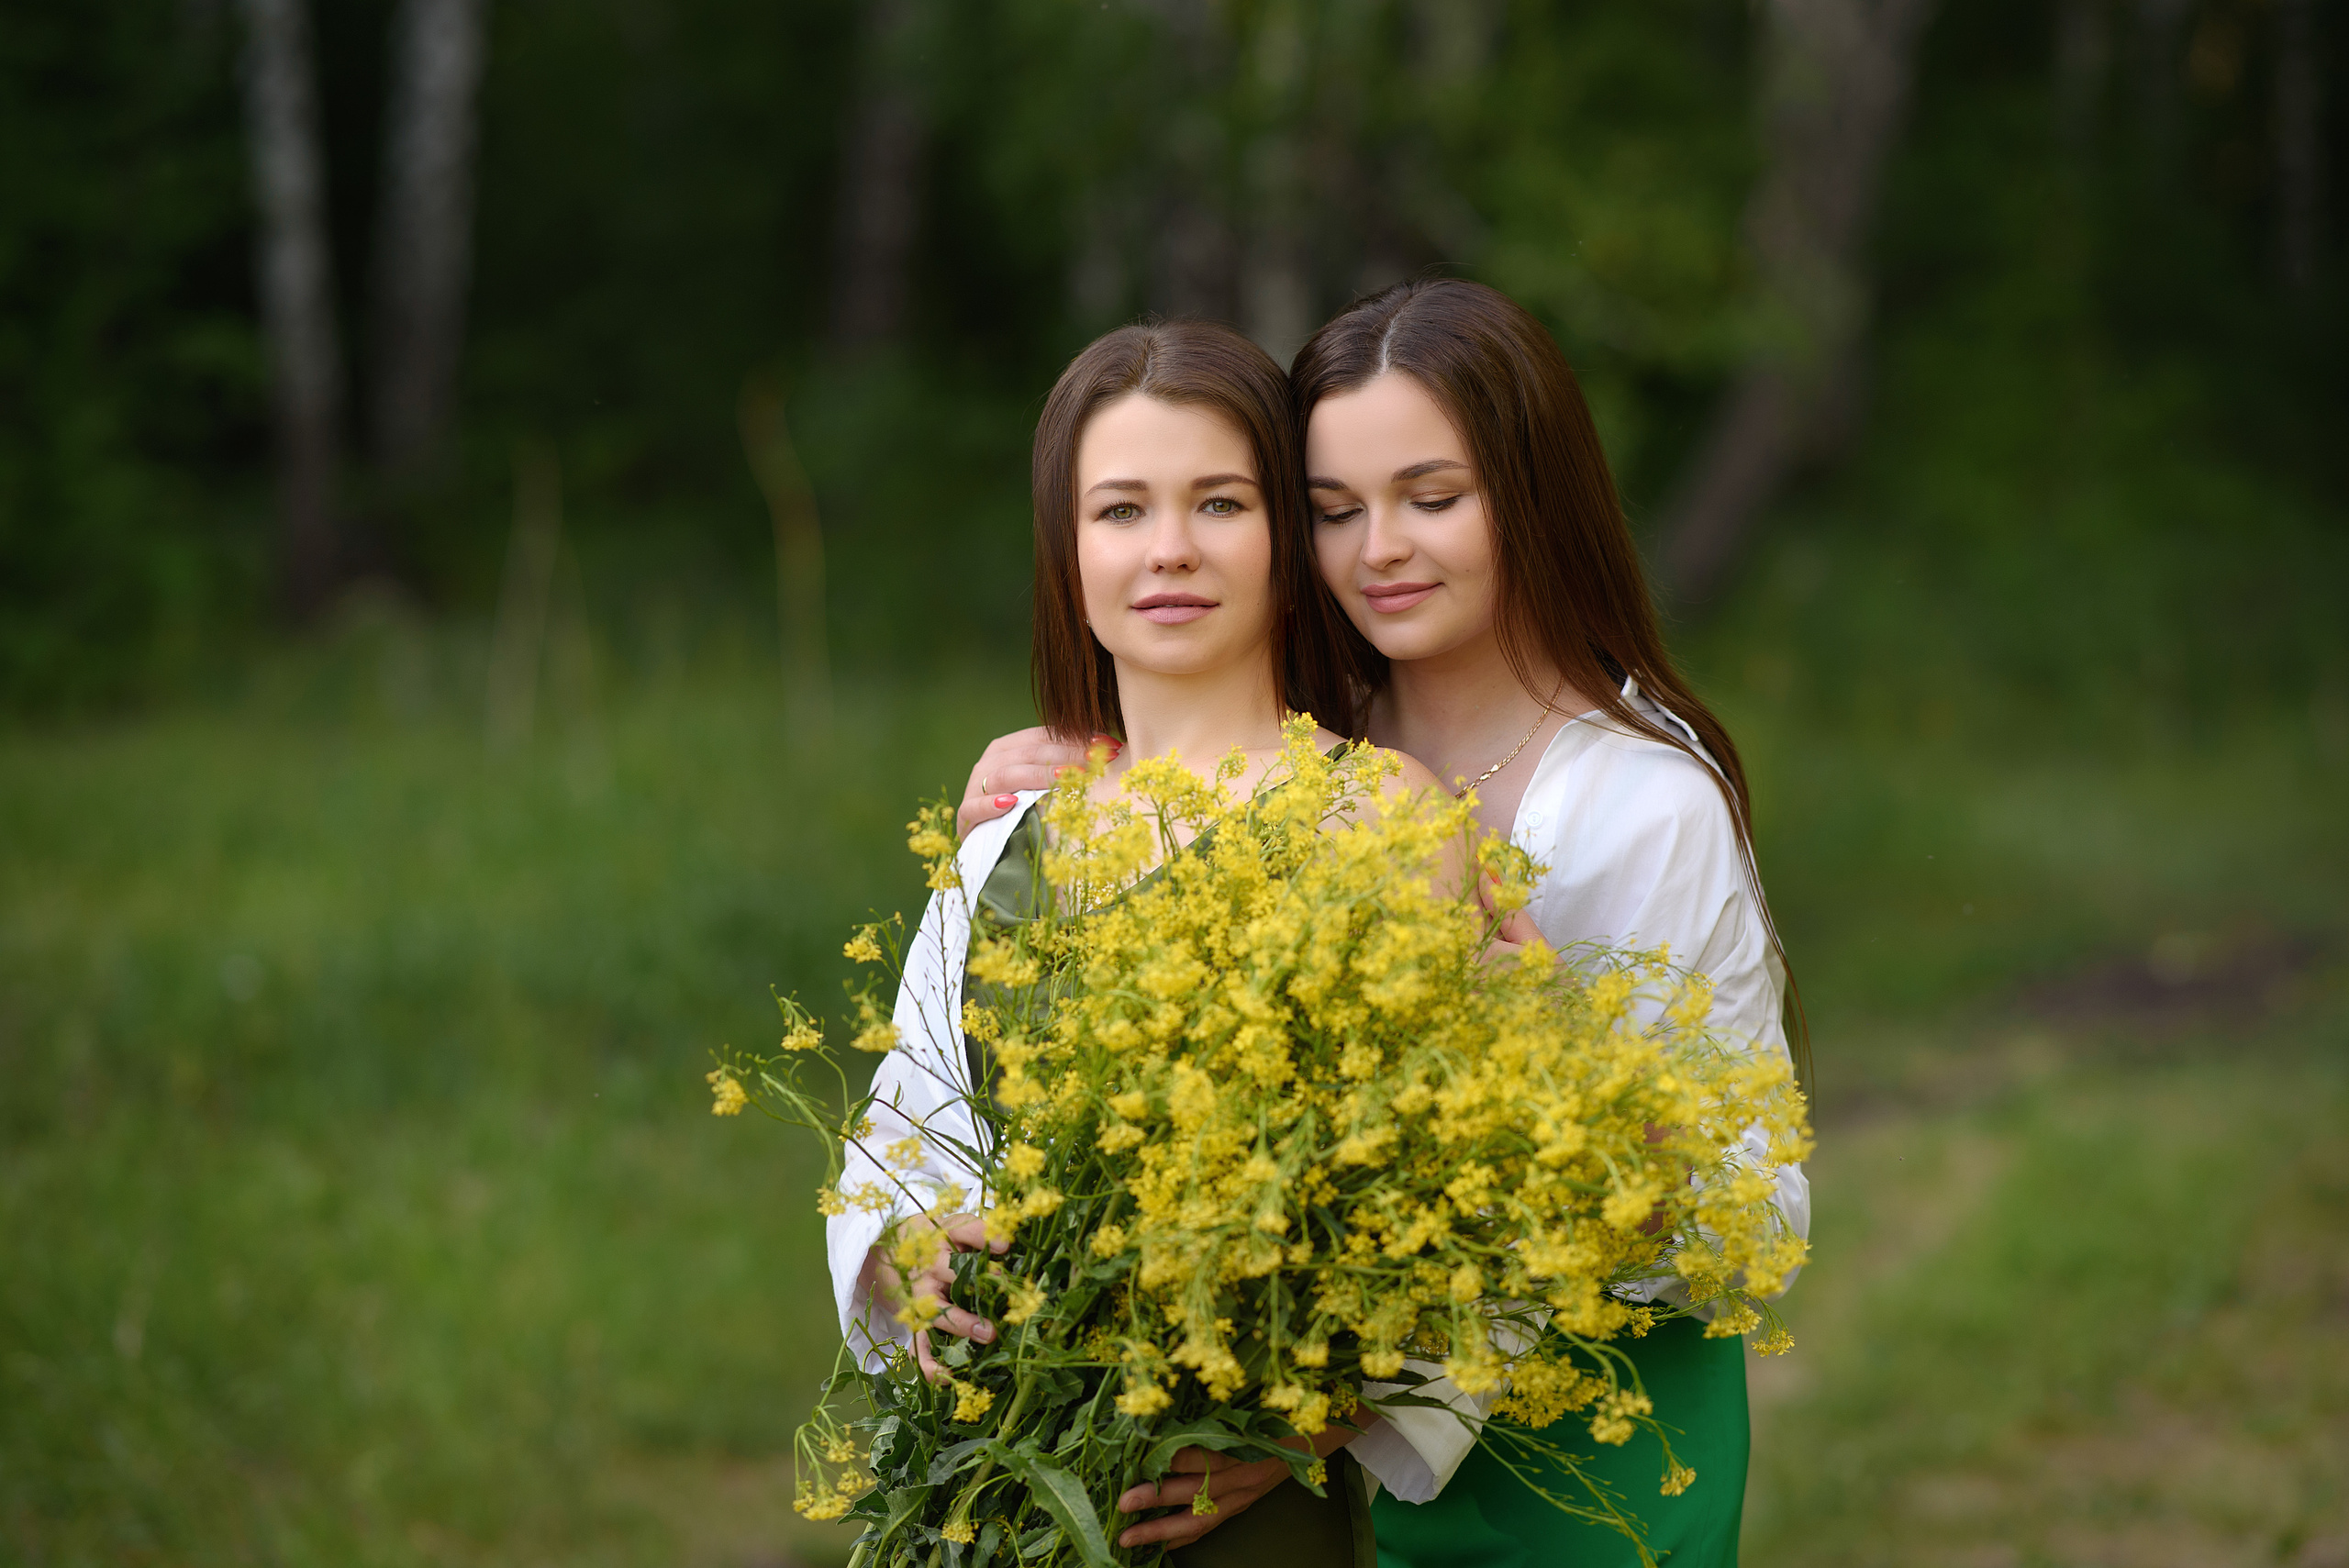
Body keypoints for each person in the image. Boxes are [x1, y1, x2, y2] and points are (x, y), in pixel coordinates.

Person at [954, 280, 1810, 1568]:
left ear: (1531, 492)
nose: (1380, 551)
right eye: (1334, 510)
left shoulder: (1646, 802)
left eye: (1433, 497)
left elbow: (1745, 1209)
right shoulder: (1325, 750)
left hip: (1581, 1467)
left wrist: (1328, 1413)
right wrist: (1054, 768)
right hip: (1322, 1475)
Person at [827, 317, 1449, 1568]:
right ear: (1068, 549)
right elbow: (902, 1134)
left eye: (1218, 502)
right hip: (1010, 1493)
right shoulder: (1012, 838)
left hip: (1251, 1513)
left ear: (1283, 539)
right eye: (1120, 510)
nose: (1168, 550)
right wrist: (917, 1255)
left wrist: (1302, 1431)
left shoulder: (1379, 819)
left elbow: (1456, 1202)